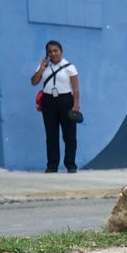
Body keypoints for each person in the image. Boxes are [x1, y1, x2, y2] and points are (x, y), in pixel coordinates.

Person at [31, 40, 81, 173]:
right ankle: (52, 165)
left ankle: (70, 164)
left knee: (69, 135)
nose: (53, 54)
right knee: (51, 135)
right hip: (48, 101)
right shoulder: (44, 66)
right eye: (50, 52)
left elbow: (75, 88)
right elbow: (34, 82)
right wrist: (41, 69)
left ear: (61, 51)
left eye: (55, 51)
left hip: (65, 101)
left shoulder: (70, 67)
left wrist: (76, 103)